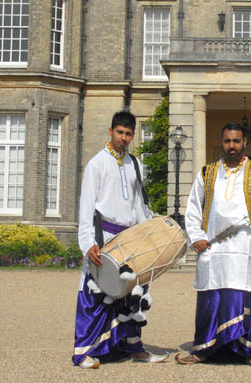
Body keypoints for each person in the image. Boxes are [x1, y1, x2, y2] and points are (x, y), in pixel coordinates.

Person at [175, 122, 251, 367]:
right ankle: (204, 349)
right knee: (211, 297)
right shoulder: (207, 172)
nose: (231, 146)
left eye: (236, 141)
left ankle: (247, 351)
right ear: (222, 142)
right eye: (227, 141)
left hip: (245, 248)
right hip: (213, 248)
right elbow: (192, 208)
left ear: (245, 142)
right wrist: (197, 236)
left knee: (243, 296)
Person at [73, 111, 168, 368]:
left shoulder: (135, 164)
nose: (124, 138)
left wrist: (148, 234)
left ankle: (132, 347)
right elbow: (86, 207)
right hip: (103, 236)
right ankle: (85, 352)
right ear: (111, 131)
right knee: (95, 293)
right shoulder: (96, 164)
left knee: (133, 294)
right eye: (120, 133)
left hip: (131, 238)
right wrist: (88, 242)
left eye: (128, 134)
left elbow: (139, 206)